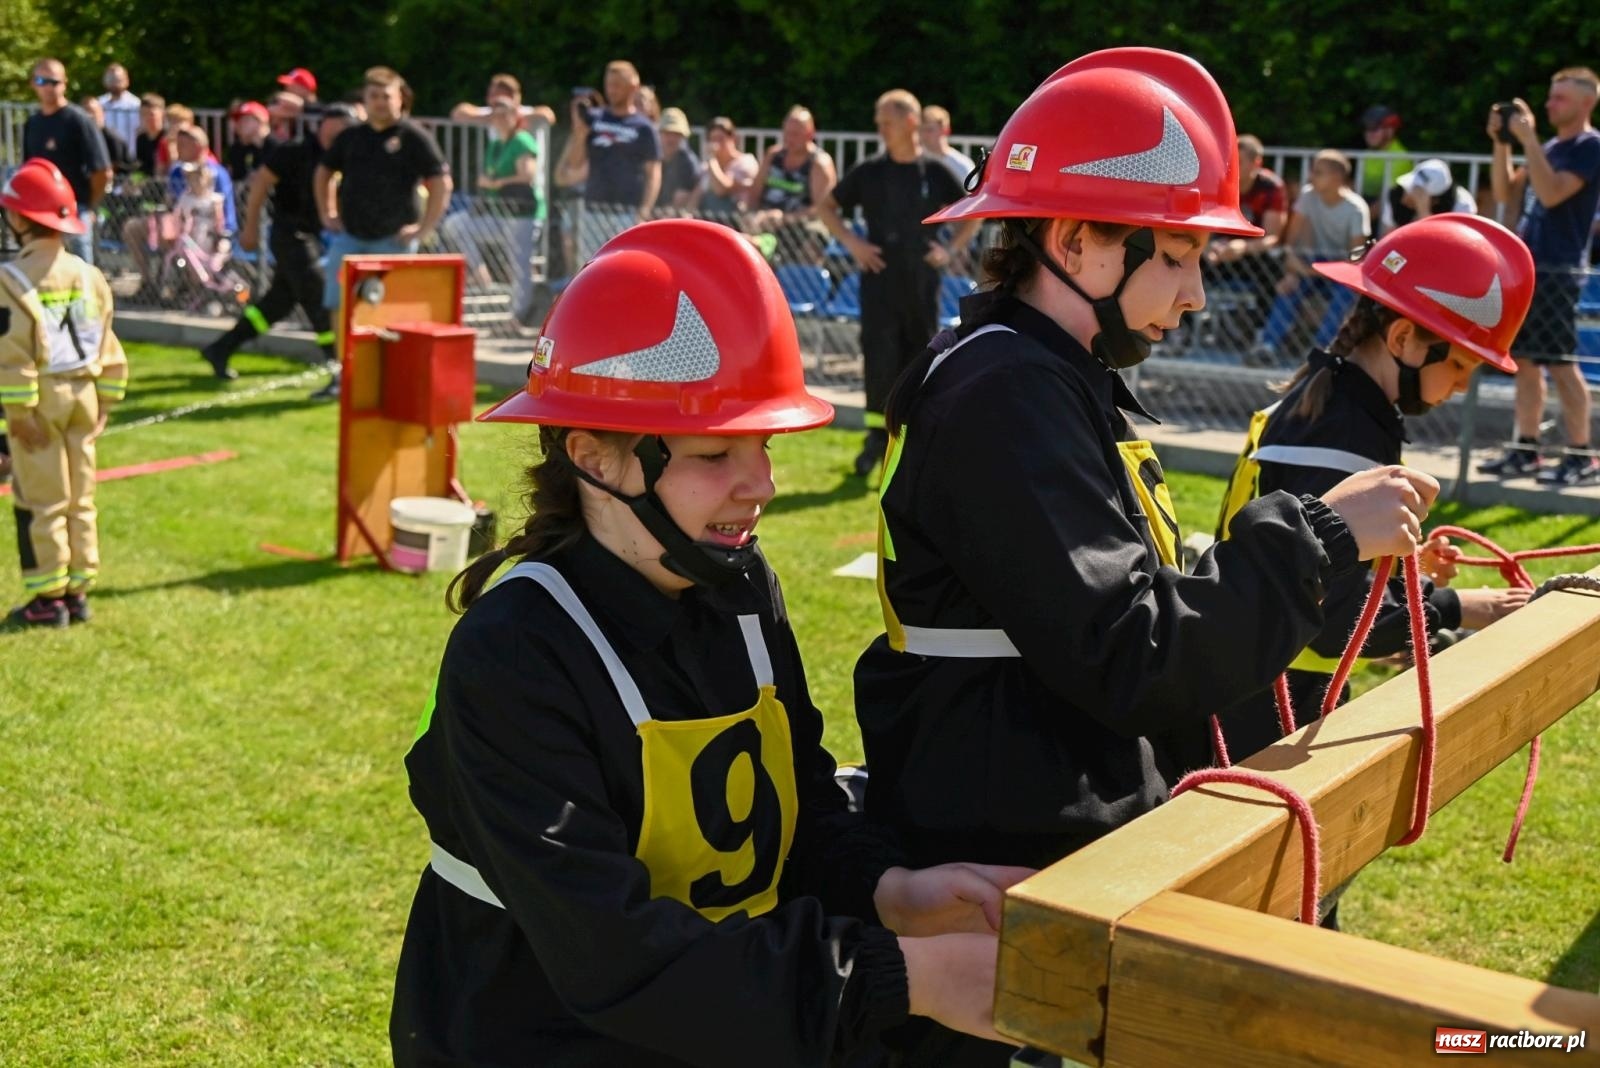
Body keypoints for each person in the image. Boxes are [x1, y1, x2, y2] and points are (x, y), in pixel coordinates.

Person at [852, 49, 1439, 1066]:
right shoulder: (1008, 395)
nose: (1198, 293)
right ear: (1079, 240)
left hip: (1037, 838)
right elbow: (1134, 652)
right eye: (1176, 255)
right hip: (1009, 869)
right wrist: (1325, 534)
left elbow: (1126, 590)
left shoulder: (1039, 373)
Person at [390, 219, 1024, 1065]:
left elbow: (794, 800)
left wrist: (890, 891)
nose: (760, 484)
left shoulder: (738, 585)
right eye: (715, 452)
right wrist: (906, 976)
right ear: (596, 459)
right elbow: (614, 955)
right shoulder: (514, 655)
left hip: (711, 1023)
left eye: (762, 445)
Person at [1213, 214, 1535, 763]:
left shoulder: (1335, 400)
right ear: (1405, 338)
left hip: (1253, 679)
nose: (1462, 385)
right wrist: (1463, 607)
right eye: (1459, 363)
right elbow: (1337, 620)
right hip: (1268, 702)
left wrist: (1393, 563)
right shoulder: (1347, 435)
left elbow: (1318, 559)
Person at [819, 89, 979, 477]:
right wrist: (853, 243)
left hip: (921, 284)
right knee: (879, 361)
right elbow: (827, 207)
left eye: (886, 122)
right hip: (878, 282)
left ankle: (911, 441)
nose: (880, 129)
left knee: (917, 361)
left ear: (910, 122)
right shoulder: (871, 170)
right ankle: (876, 440)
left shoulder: (934, 171)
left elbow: (972, 211)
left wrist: (951, 249)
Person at [0, 160, 128, 628]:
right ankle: (79, 589)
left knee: (43, 500)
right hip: (84, 395)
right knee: (81, 496)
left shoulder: (11, 280)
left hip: (42, 402)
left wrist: (19, 414)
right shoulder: (89, 275)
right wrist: (106, 403)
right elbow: (109, 344)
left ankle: (46, 598)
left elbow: (11, 355)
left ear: (16, 219)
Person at [1479, 68, 1600, 485]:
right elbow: (1504, 194)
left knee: (1563, 364)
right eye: (1550, 97)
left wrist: (1528, 140)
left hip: (1559, 270)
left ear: (1587, 102)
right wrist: (1502, 144)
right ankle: (1527, 448)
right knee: (1526, 362)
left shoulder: (1588, 146)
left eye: (1560, 98)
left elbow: (1551, 194)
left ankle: (1582, 453)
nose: (1549, 105)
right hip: (1529, 268)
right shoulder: (1547, 146)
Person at [314, 66, 452, 399]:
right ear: (364, 99)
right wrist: (327, 212)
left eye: (386, 96)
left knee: (393, 310)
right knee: (339, 305)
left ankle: (391, 377)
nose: (379, 103)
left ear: (399, 98)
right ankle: (344, 374)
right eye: (373, 96)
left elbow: (441, 183)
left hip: (394, 241)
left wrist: (424, 228)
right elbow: (323, 172)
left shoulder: (413, 137)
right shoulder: (351, 137)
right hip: (350, 238)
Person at [200, 106, 357, 381]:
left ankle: (221, 348)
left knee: (277, 304)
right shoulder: (294, 151)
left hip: (312, 236)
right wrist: (249, 229)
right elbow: (260, 184)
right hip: (289, 235)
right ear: (323, 126)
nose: (339, 136)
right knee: (319, 301)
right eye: (335, 129)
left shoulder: (341, 156)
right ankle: (338, 369)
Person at [1250, 148, 1371, 365]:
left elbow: (1356, 260)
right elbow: (1291, 243)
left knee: (1344, 294)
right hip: (1311, 263)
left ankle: (1322, 349)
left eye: (1318, 172)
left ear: (1336, 178)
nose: (1310, 176)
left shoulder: (1357, 209)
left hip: (1340, 270)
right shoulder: (1307, 196)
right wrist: (1292, 270)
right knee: (1290, 286)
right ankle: (1267, 346)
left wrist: (1309, 269)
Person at [440, 98, 542, 322]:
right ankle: (480, 274)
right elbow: (486, 177)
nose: (500, 119)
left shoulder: (522, 140)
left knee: (519, 263)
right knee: (456, 225)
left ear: (515, 117)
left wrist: (496, 183)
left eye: (505, 114)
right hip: (498, 214)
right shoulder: (496, 145)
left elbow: (527, 175)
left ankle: (519, 314)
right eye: (496, 115)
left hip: (521, 214)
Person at [562, 60, 662, 260]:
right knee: (590, 270)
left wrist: (644, 211)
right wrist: (580, 132)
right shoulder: (595, 119)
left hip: (627, 212)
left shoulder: (644, 127)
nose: (611, 90)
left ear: (632, 87)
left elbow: (653, 173)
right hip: (593, 210)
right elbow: (574, 163)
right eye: (608, 84)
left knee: (625, 268)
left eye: (617, 85)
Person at [22, 58, 111, 264]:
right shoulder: (33, 123)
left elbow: (102, 171)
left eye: (54, 82)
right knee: (43, 273)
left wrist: (87, 206)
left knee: (80, 274)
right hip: (40, 213)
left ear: (64, 84)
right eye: (42, 81)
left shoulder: (78, 120)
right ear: (33, 83)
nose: (48, 87)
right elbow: (29, 170)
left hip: (73, 211)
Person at [745, 106, 838, 257]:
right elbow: (754, 193)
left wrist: (784, 219)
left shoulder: (819, 163)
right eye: (787, 133)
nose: (789, 139)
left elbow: (823, 208)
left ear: (810, 134)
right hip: (766, 220)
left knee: (814, 235)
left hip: (802, 223)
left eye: (795, 134)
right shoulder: (773, 155)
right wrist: (752, 215)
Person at [1376, 157, 1476, 236]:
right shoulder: (1397, 193)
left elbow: (1449, 242)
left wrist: (1423, 211)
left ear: (1435, 200)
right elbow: (1390, 236)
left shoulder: (1463, 205)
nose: (1406, 196)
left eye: (1417, 192)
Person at [690, 115, 758, 217]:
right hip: (710, 218)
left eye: (720, 139)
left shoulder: (746, 162)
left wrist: (711, 158)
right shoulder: (707, 167)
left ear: (733, 138)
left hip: (737, 219)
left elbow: (721, 190)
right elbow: (697, 195)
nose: (716, 144)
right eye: (713, 139)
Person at [653, 106, 704, 211]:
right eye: (667, 133)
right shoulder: (651, 157)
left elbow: (680, 201)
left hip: (674, 216)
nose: (671, 138)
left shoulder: (688, 162)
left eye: (676, 134)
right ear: (660, 133)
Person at [1358, 105, 1409, 204]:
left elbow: (1386, 199)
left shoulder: (1400, 157)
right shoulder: (1368, 153)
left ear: (1390, 131)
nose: (1369, 133)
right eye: (1366, 128)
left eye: (1375, 128)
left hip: (1389, 213)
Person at [919, 105, 976, 185]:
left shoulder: (962, 165)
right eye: (921, 130)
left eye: (929, 130)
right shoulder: (915, 163)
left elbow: (970, 196)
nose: (923, 135)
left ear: (946, 130)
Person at [225, 101, 280, 182]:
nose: (240, 124)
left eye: (246, 120)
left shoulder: (277, 148)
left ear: (261, 120)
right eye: (238, 120)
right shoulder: (237, 148)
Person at [97, 63, 141, 148]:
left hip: (130, 156)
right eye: (111, 79)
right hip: (106, 157)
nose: (114, 83)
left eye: (118, 79)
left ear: (127, 80)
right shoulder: (98, 105)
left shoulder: (136, 105)